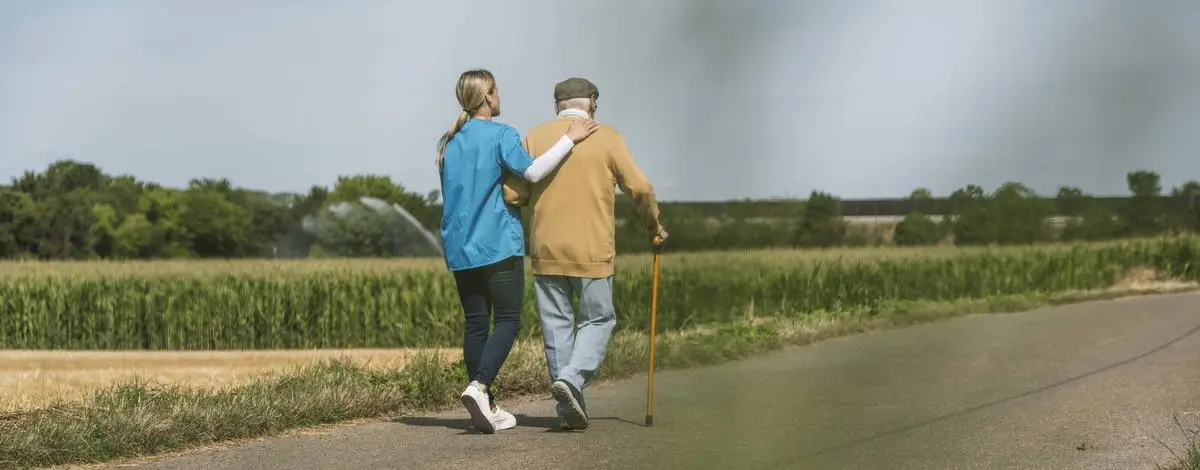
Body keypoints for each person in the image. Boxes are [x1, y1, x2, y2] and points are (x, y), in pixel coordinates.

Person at [436, 69, 600, 434]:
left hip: (459, 248)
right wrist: (569, 139)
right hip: (497, 244)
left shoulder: (448, 141)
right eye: (497, 90)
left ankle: (487, 403)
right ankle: (479, 387)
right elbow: (533, 171)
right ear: (488, 96)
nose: (500, 95)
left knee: (476, 323)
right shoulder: (501, 134)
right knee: (508, 321)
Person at [503, 77, 667, 430]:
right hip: (592, 249)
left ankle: (567, 412)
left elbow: (512, 194)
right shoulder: (606, 137)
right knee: (599, 320)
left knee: (557, 328)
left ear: (557, 105)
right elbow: (641, 187)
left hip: (546, 249)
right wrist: (653, 227)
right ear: (592, 101)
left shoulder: (536, 136)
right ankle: (574, 379)